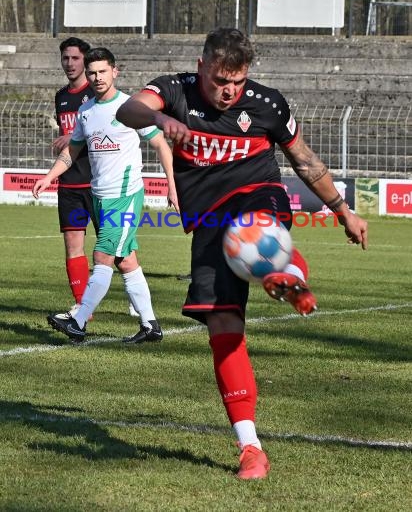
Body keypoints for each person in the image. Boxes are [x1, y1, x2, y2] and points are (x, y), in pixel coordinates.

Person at [115, 28, 368, 480]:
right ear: (202, 66)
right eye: (218, 80)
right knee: (224, 328)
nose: (228, 90)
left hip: (259, 195)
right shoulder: (174, 90)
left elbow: (304, 161)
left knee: (257, 230)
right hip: (209, 223)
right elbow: (127, 107)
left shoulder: (267, 104)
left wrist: (343, 211)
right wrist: (162, 120)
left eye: (237, 80)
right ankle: (250, 447)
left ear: (247, 74)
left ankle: (285, 274)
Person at [33, 46, 178, 344]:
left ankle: (78, 320)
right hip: (99, 196)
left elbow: (162, 145)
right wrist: (49, 176)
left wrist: (172, 187)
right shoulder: (86, 111)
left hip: (125, 196)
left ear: (115, 71)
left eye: (102, 71)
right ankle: (150, 325)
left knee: (102, 255)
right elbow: (72, 150)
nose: (97, 77)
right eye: (92, 73)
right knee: (126, 261)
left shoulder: (132, 108)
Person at [54, 37, 139, 319]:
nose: (70, 64)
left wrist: (74, 137)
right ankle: (82, 306)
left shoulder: (98, 97)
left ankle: (136, 299)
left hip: (100, 186)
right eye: (65, 58)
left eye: (75, 58)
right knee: (73, 245)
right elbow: (74, 145)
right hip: (70, 185)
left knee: (118, 250)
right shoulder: (62, 97)